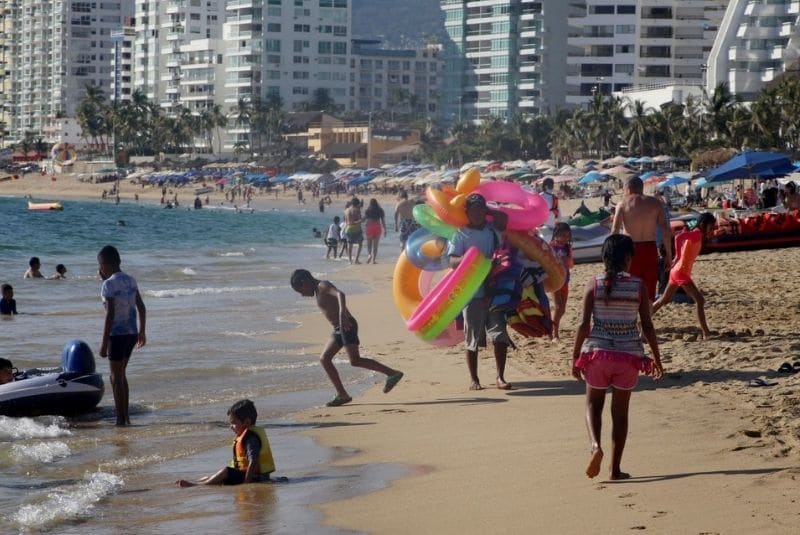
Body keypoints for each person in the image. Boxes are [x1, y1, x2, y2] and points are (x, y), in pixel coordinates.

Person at [572, 234, 664, 480]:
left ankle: (595, 447)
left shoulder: (594, 283)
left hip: (598, 354)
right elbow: (647, 326)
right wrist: (657, 358)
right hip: (628, 356)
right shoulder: (638, 286)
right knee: (620, 414)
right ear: (628, 258)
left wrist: (574, 357)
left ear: (604, 257)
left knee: (593, 405)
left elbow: (583, 325)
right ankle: (614, 469)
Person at [290, 269, 403, 407]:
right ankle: (342, 394)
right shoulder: (318, 290)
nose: (302, 295)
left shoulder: (323, 286)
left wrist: (342, 315)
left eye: (300, 290)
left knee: (355, 360)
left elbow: (340, 294)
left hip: (346, 325)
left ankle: (392, 373)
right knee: (325, 359)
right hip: (339, 329)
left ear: (304, 282)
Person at [448, 193, 512, 390]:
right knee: (472, 338)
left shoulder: (492, 230)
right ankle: (474, 379)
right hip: (472, 293)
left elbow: (505, 220)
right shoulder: (461, 234)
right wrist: (472, 259)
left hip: (495, 291)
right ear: (467, 212)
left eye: (480, 209)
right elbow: (452, 261)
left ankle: (500, 377)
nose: (476, 214)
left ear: (485, 211)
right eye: (473, 210)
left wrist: (489, 211)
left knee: (500, 335)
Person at [176, 399, 285, 487]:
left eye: (233, 423)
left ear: (246, 422)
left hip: (256, 477)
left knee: (226, 471)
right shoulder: (246, 436)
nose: (231, 426)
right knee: (214, 476)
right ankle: (197, 482)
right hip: (247, 475)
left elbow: (253, 461)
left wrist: (246, 483)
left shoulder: (251, 438)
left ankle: (197, 485)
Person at [98, 245, 147, 426]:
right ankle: (125, 417)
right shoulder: (131, 280)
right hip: (131, 333)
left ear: (103, 265)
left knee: (114, 376)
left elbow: (110, 314)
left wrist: (103, 343)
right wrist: (142, 331)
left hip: (116, 335)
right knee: (121, 375)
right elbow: (141, 307)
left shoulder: (108, 284)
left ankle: (120, 419)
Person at [652, 212, 716, 339]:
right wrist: (677, 257)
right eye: (711, 226)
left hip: (678, 271)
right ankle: (706, 333)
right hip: (681, 272)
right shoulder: (696, 233)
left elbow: (681, 240)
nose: (712, 229)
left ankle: (641, 321)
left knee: (663, 300)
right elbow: (677, 238)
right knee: (700, 300)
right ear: (704, 224)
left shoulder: (697, 234)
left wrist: (678, 257)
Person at [611, 177, 672, 301]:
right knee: (648, 291)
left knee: (630, 288)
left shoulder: (622, 203)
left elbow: (614, 232)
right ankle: (647, 318)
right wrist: (669, 255)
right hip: (650, 249)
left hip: (630, 249)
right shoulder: (655, 203)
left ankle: (632, 318)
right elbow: (666, 230)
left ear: (627, 188)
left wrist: (612, 257)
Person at [549, 223, 574, 341]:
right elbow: (547, 263)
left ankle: (552, 327)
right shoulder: (551, 247)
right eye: (563, 235)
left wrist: (567, 260)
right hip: (554, 281)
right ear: (556, 234)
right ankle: (555, 334)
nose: (566, 238)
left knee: (563, 309)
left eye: (568, 236)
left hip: (565, 280)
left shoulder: (567, 248)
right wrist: (559, 260)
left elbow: (571, 265)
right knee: (558, 307)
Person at [363, 198, 386, 264]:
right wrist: (385, 230)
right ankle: (373, 260)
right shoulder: (380, 210)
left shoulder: (368, 210)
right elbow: (383, 221)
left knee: (369, 244)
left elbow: (363, 220)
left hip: (369, 227)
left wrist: (357, 221)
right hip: (377, 227)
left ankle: (369, 255)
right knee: (375, 245)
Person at [343, 199, 364, 264]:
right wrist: (363, 220)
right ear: (357, 204)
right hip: (356, 228)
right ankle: (356, 259)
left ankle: (350, 260)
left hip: (348, 228)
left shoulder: (346, 210)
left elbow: (345, 221)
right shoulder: (357, 210)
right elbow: (359, 220)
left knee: (350, 244)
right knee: (360, 244)